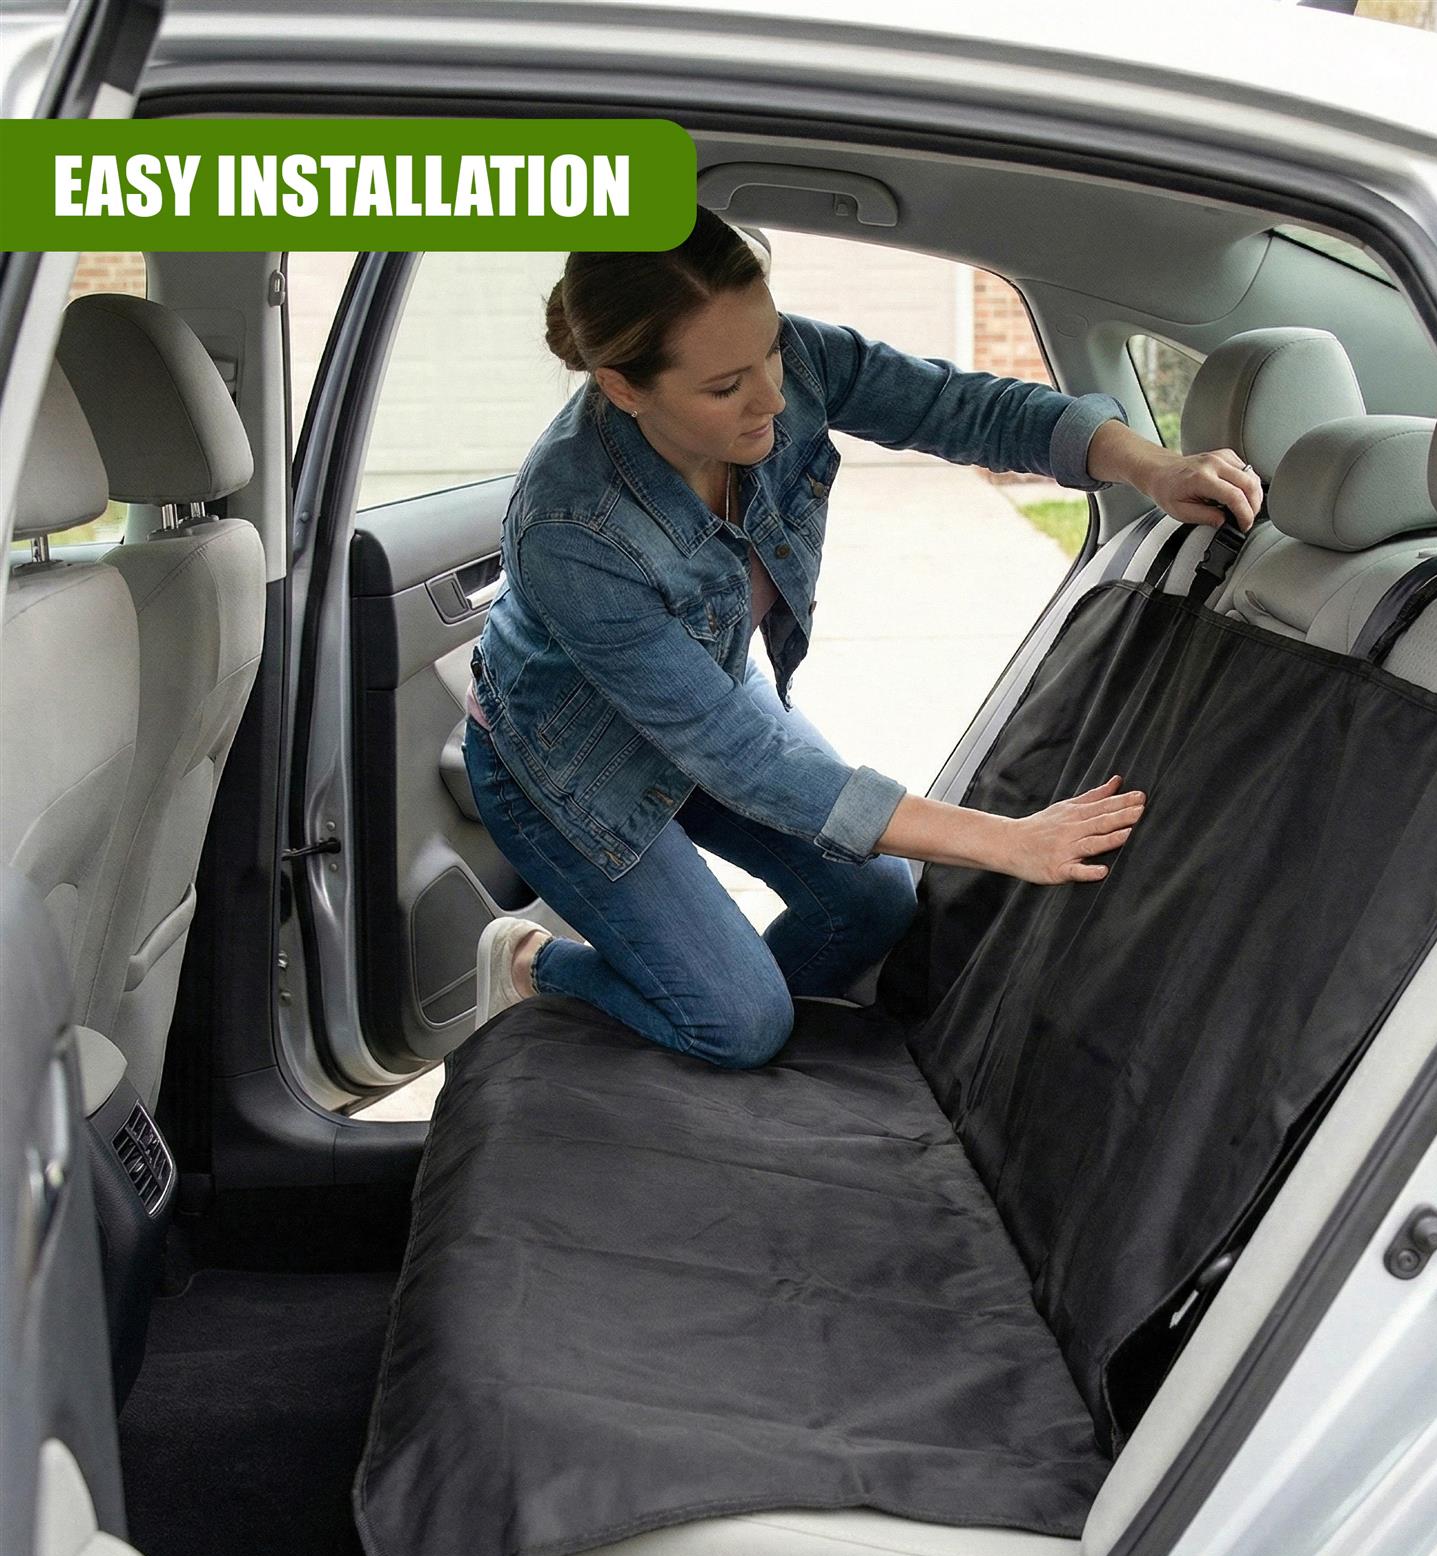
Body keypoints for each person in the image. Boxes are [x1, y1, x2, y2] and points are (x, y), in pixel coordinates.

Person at [464, 209, 1263, 1068]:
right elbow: (743, 758)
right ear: (624, 387)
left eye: (768, 349)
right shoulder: (571, 526)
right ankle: (532, 964)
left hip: (708, 702)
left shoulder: (791, 366)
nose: (773, 394)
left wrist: (1150, 464)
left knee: (873, 904)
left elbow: (964, 407)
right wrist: (1011, 840)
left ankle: (714, 1012)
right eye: (727, 387)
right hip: (567, 764)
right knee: (739, 1028)